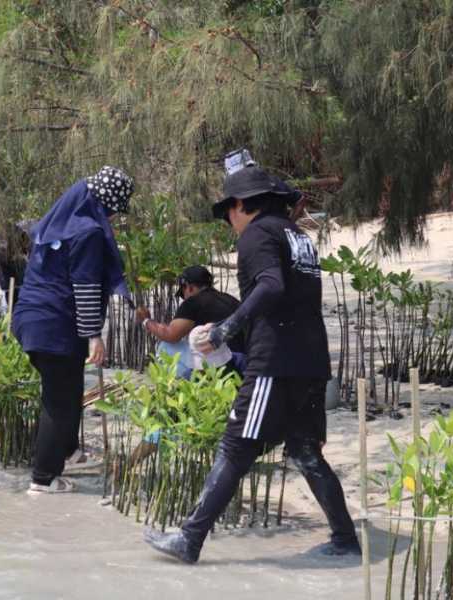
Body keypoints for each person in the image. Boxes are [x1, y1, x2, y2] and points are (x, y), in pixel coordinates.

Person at [144, 165, 360, 563]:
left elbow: (271, 285)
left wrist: (225, 329)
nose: (229, 221)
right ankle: (346, 539)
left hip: (275, 361)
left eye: (228, 211)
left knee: (234, 447)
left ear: (241, 204)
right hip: (312, 361)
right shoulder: (299, 237)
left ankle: (189, 540)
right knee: (306, 452)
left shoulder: (257, 234)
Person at [13, 166, 134, 494]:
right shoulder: (87, 231)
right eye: (111, 211)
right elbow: (85, 285)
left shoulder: (55, 224)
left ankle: (68, 450)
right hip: (54, 325)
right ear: (102, 204)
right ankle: (43, 479)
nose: (111, 218)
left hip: (30, 319)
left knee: (66, 389)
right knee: (60, 401)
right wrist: (94, 334)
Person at [135, 265, 243, 378]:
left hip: (220, 362)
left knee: (166, 346)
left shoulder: (194, 302)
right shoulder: (230, 299)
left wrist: (146, 320)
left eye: (183, 292)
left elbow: (170, 335)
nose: (185, 298)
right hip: (239, 360)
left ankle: (177, 383)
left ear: (189, 287)